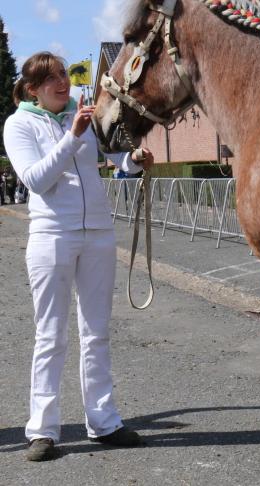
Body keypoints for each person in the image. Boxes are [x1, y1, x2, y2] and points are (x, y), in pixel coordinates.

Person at [3, 51, 155, 461]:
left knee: (97, 333)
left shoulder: (85, 115)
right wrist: (71, 136)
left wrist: (132, 161)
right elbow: (36, 179)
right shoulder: (19, 124)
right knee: (50, 336)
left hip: (99, 235)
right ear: (32, 88)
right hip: (52, 235)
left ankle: (104, 422)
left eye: (62, 75)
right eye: (50, 78)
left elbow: (108, 160)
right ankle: (42, 430)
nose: (62, 83)